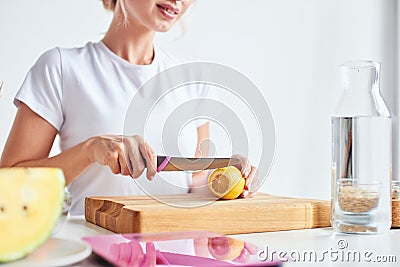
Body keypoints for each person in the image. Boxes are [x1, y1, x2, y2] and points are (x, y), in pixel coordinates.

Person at [0, 0, 256, 215]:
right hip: (93, 255)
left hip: (175, 255)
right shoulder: (60, 68)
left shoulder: (194, 82)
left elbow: (191, 182)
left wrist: (223, 180)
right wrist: (89, 151)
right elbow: (8, 186)